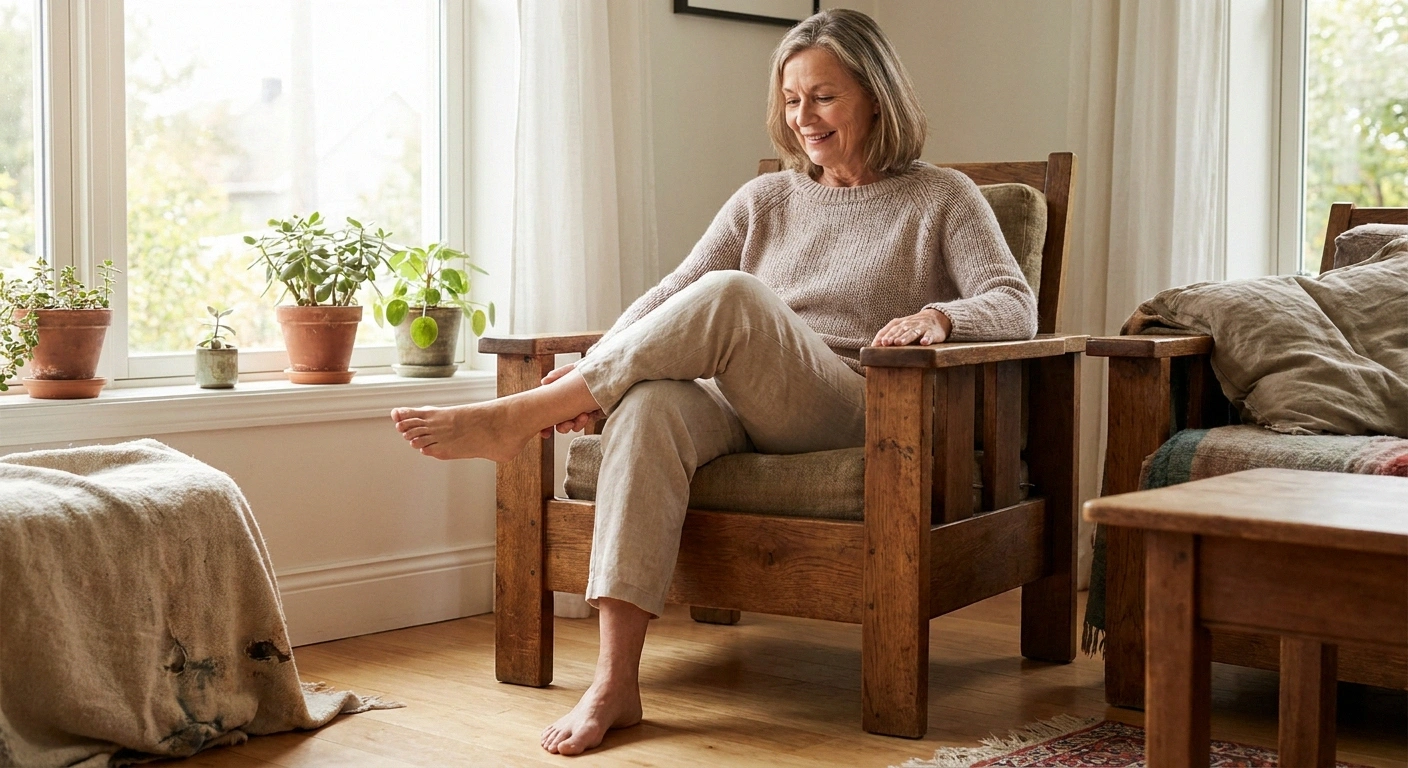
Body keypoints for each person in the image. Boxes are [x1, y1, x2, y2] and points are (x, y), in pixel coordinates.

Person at [390, 8, 1036, 756]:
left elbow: (1014, 303)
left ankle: (522, 416)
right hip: (741, 400)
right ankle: (615, 682)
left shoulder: (942, 196)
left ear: (876, 95)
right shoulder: (765, 199)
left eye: (824, 97)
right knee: (651, 405)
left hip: (857, 403)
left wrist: (939, 317)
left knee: (734, 294)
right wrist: (602, 360)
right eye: (791, 100)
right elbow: (671, 295)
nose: (803, 118)